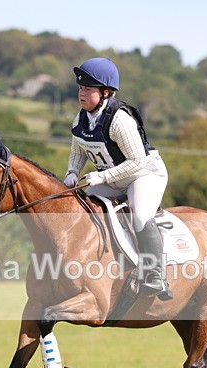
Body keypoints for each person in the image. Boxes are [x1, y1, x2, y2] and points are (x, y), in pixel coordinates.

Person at [64, 57, 172, 300]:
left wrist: (101, 176)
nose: (81, 93)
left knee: (140, 214)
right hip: (112, 177)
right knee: (77, 205)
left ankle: (156, 275)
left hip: (144, 175)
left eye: (88, 89)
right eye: (80, 88)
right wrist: (71, 172)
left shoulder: (119, 119)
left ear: (106, 93)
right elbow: (77, 152)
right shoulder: (80, 118)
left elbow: (137, 162)